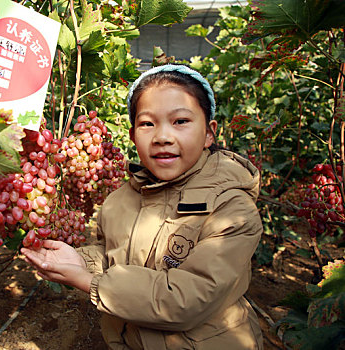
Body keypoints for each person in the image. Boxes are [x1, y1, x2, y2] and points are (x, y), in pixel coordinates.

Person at [21, 64, 264, 349]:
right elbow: (112, 255)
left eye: (181, 121)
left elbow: (185, 300)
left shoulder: (232, 210)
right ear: (133, 135)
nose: (162, 136)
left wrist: (90, 282)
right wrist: (81, 261)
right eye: (147, 123)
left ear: (209, 133)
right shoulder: (118, 200)